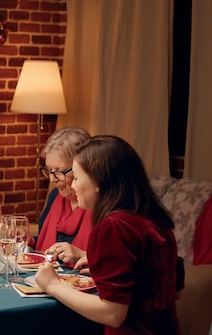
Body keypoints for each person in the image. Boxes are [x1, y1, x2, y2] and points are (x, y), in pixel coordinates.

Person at [34, 135, 183, 334]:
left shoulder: (114, 227)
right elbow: (173, 286)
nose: (74, 186)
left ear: (98, 182)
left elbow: (113, 314)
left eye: (77, 178)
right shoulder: (152, 216)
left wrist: (52, 285)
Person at [31, 127, 92, 269]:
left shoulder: (99, 204)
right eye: (49, 170)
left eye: (58, 171)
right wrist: (29, 241)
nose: (52, 178)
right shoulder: (55, 196)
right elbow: (47, 244)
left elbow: (112, 261)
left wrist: (83, 254)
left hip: (82, 284)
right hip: (49, 277)